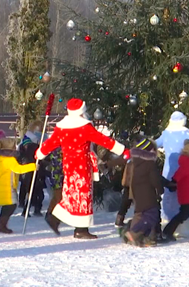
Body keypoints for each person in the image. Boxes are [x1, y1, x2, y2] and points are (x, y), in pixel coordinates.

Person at [36, 99, 127, 239]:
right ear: (82, 112)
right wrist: (122, 150)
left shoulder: (61, 128)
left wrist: (40, 153)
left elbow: (51, 143)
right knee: (83, 196)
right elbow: (103, 140)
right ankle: (80, 229)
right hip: (82, 166)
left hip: (68, 166)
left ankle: (55, 218)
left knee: (71, 194)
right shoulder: (85, 127)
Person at [155, 111, 189, 223]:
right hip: (185, 168)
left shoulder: (166, 133)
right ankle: (182, 219)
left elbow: (155, 144)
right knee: (184, 192)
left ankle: (167, 217)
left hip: (169, 169)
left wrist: (144, 145)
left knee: (168, 194)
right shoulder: (186, 133)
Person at [0, 138, 36, 234]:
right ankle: (2, 225)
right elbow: (18, 169)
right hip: (8, 187)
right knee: (11, 205)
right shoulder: (10, 160)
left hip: (2, 187)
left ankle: (1, 224)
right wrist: (33, 166)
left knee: (7, 206)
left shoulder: (1, 160)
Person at [123, 136, 164, 247]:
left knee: (140, 213)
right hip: (147, 192)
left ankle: (143, 238)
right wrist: (160, 189)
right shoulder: (149, 164)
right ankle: (135, 233)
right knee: (151, 214)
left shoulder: (137, 162)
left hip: (137, 191)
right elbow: (154, 179)